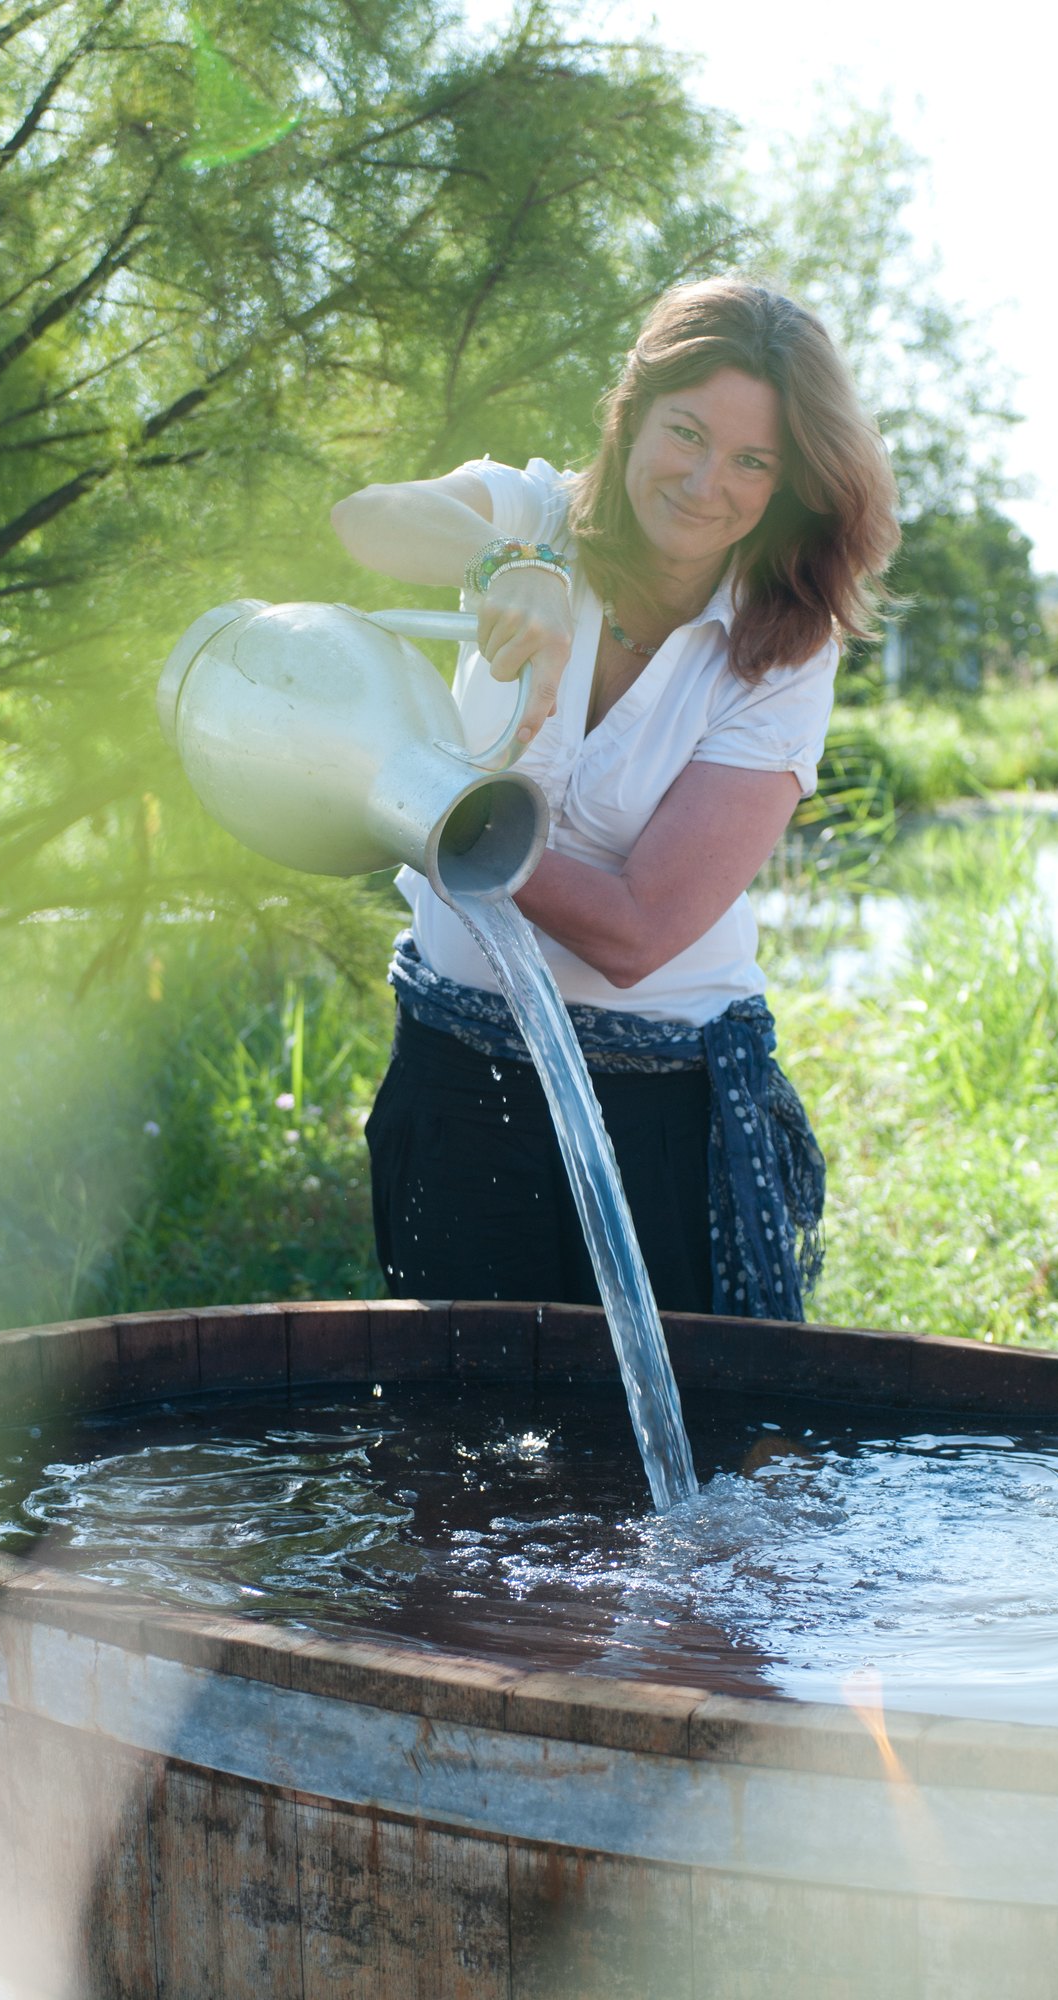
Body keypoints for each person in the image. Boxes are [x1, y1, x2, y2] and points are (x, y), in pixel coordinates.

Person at [331, 276, 900, 1318]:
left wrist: (438, 812)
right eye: (686, 432)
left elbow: (638, 930)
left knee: (682, 1422)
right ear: (633, 410)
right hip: (454, 1074)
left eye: (752, 461)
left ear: (787, 485)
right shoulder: (539, 512)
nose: (705, 481)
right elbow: (365, 518)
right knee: (461, 1412)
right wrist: (508, 563)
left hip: (662, 1105)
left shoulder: (784, 645)